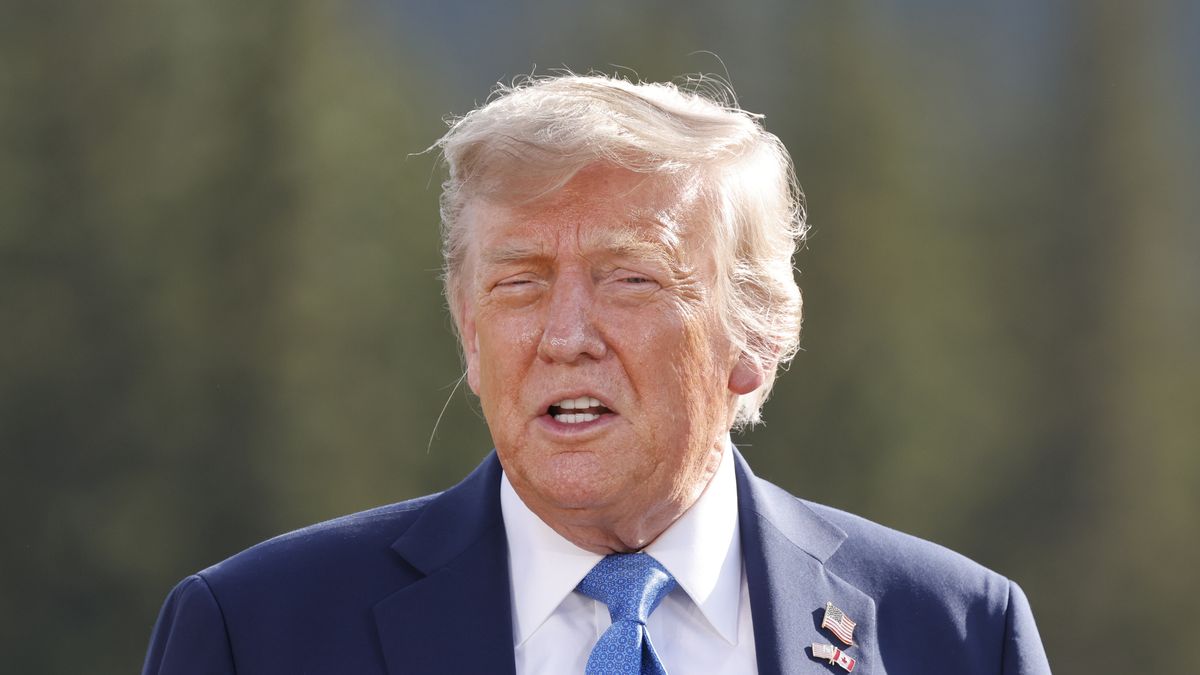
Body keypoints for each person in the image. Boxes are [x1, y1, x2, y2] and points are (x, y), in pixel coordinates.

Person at [143, 74, 1051, 675]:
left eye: (630, 278)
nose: (564, 335)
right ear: (467, 328)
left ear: (756, 332)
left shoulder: (957, 634)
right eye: (517, 283)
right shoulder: (254, 634)